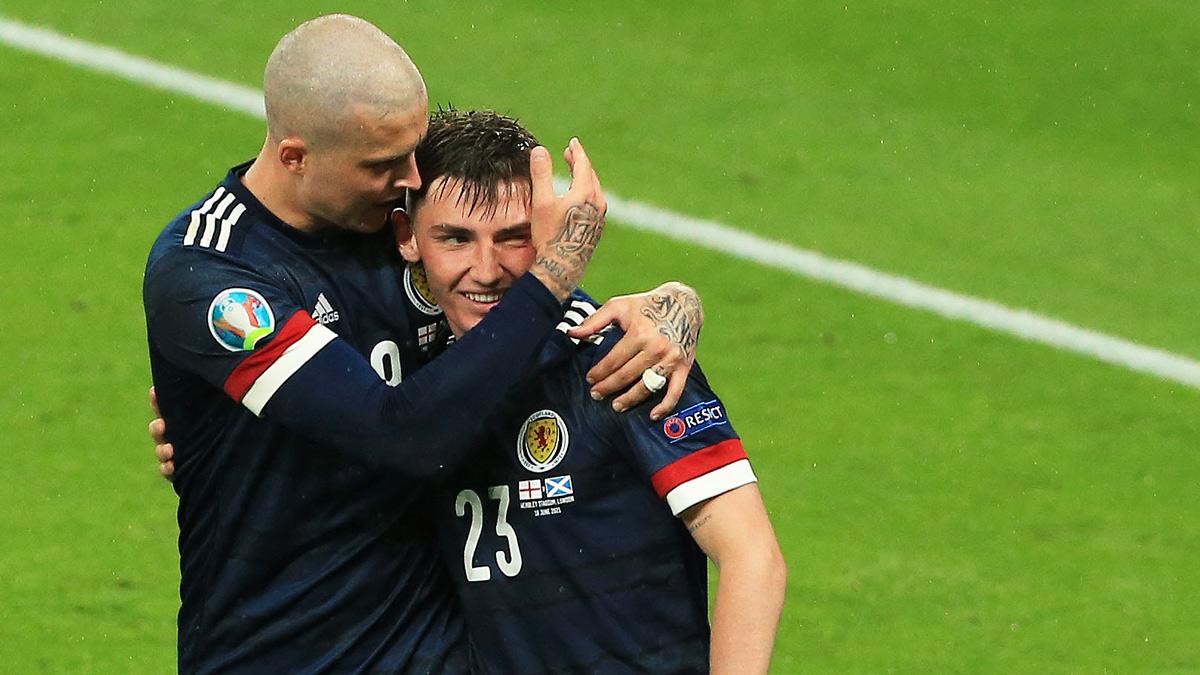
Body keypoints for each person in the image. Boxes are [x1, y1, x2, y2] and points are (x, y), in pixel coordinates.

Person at [143, 15, 703, 674]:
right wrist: (558, 271)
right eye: (383, 164)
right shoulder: (214, 274)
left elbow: (510, 309)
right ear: (296, 156)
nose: (410, 176)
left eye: (413, 150)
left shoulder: (400, 227)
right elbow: (404, 435)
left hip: (431, 652)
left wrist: (671, 305)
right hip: (276, 652)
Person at [397, 109, 787, 674]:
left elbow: (753, 559)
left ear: (549, 231)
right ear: (407, 239)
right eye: (455, 239)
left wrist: (678, 300)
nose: (485, 270)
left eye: (512, 239)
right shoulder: (407, 361)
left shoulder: (622, 358)